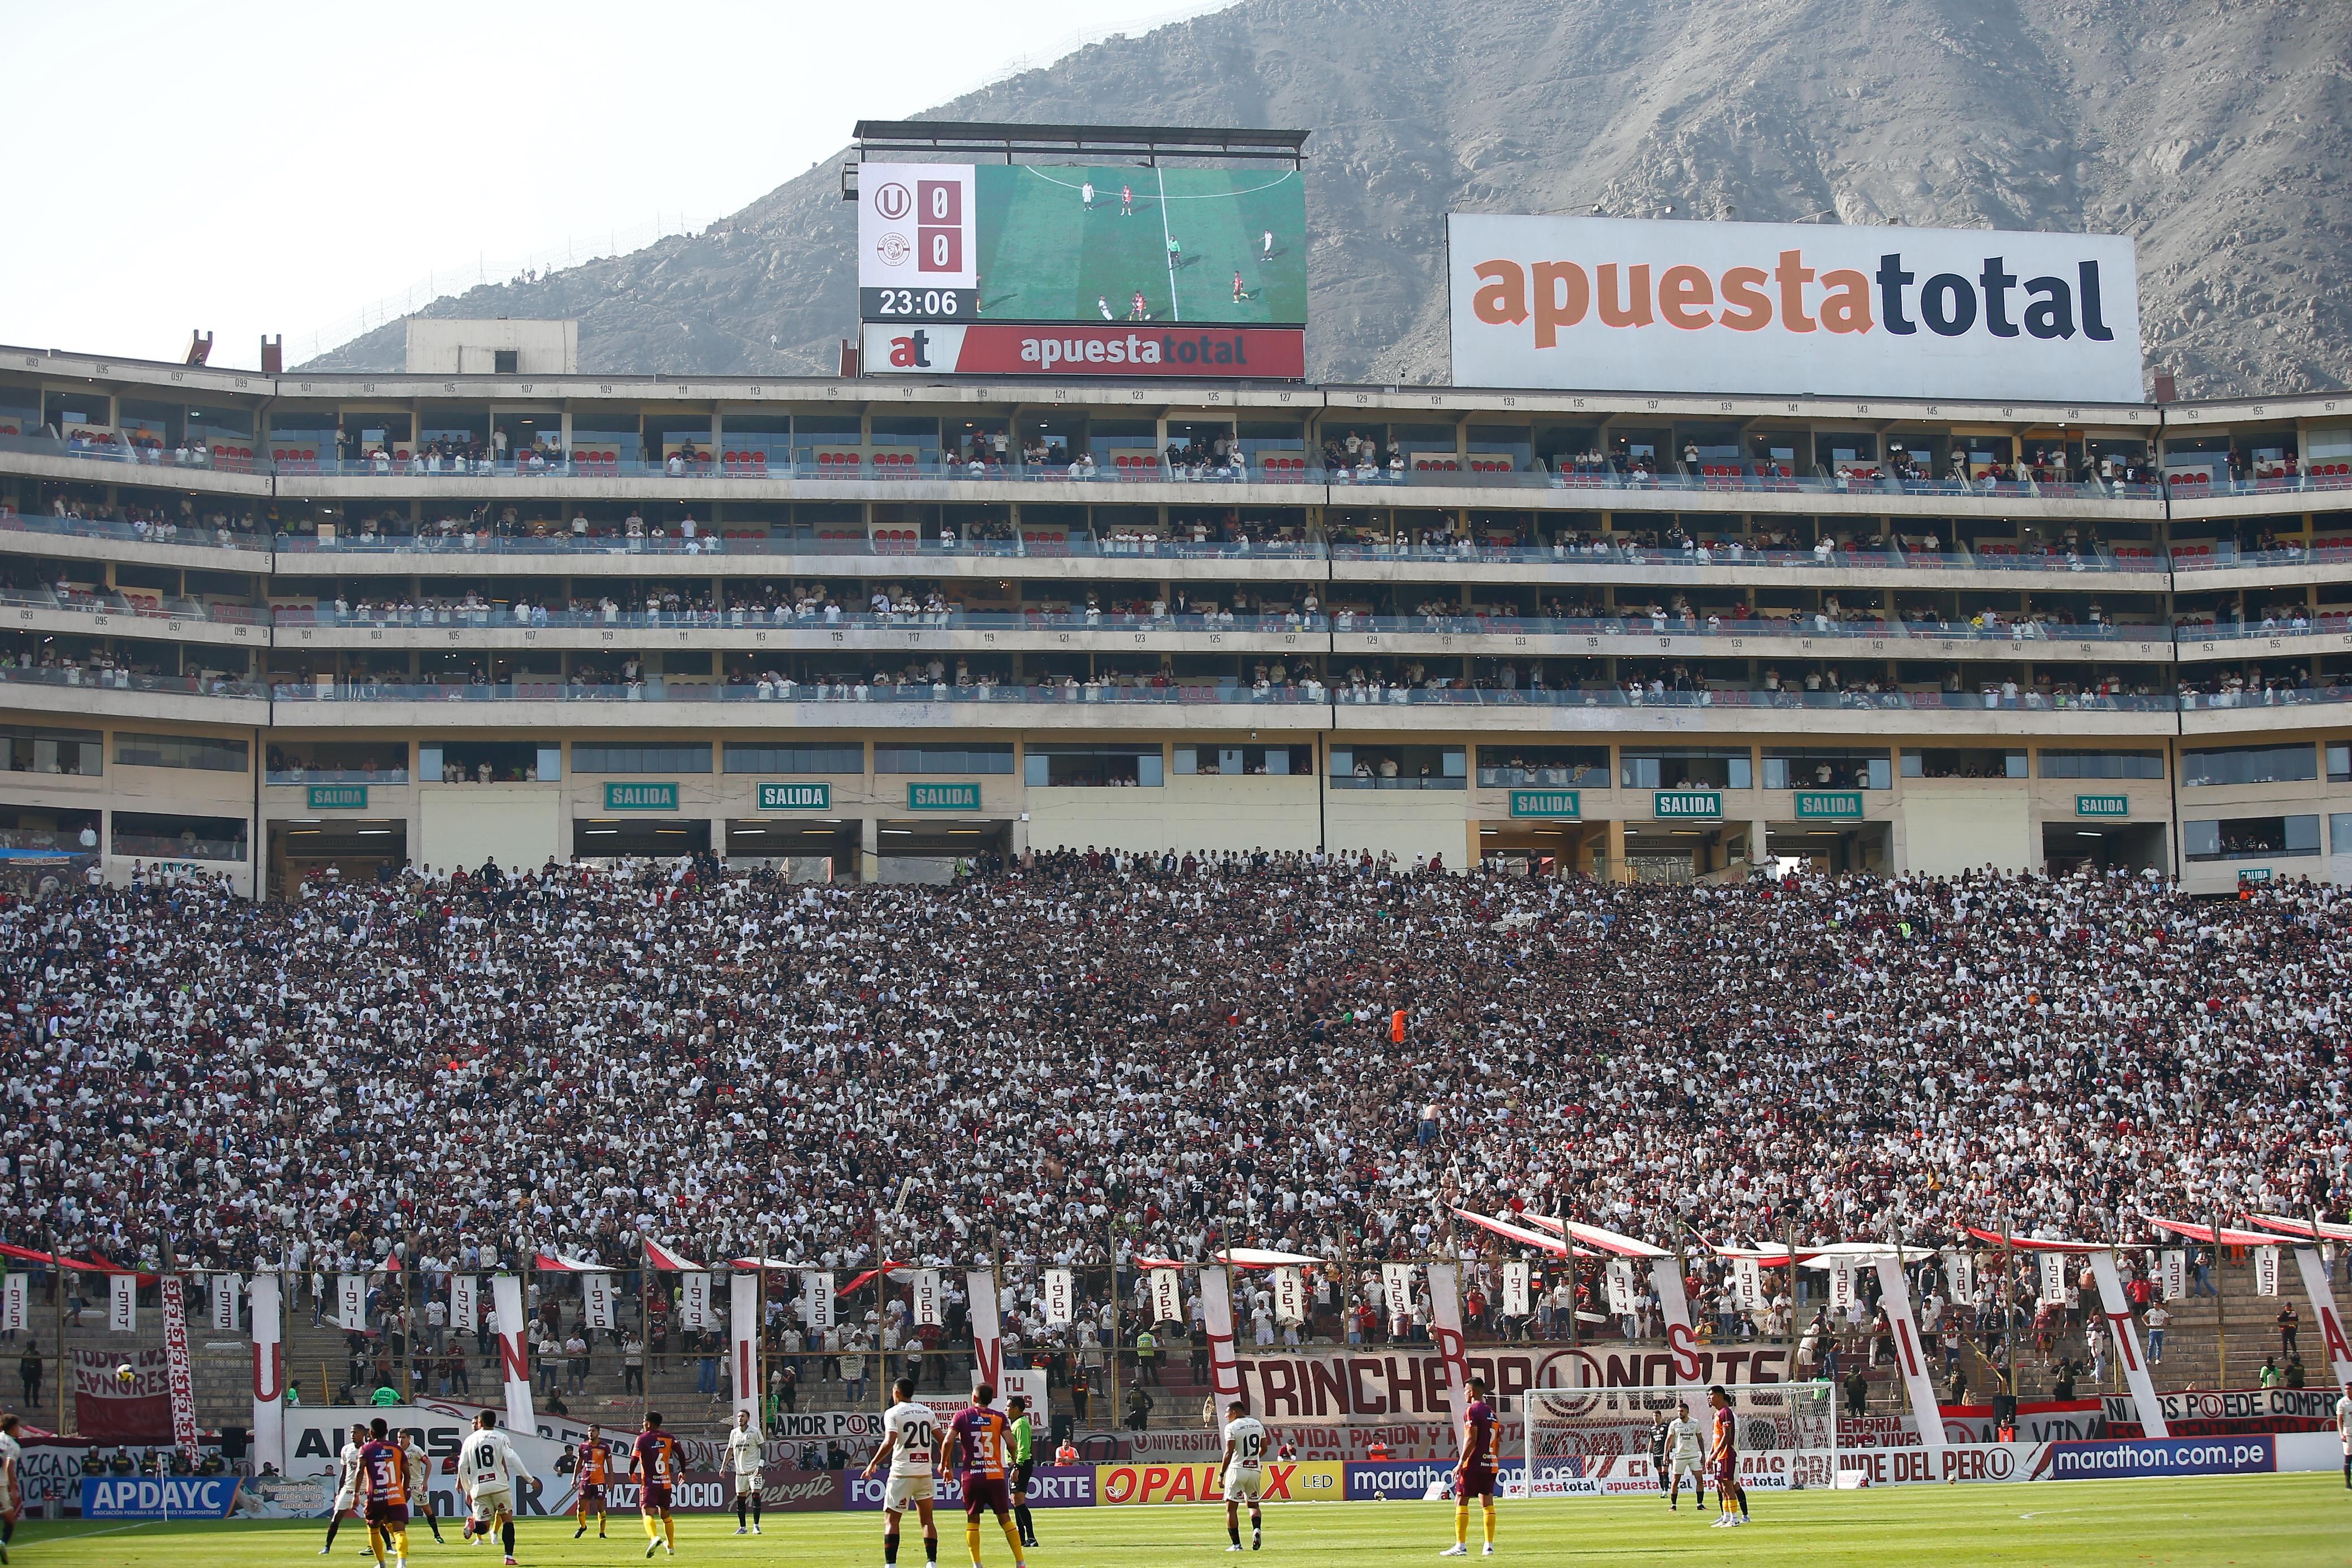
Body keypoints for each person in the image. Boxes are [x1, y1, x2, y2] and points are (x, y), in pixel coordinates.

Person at [939, 1383, 1026, 1568]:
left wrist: (945, 1464)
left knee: (973, 1520)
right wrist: (1015, 1462)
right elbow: (1011, 1443)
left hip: (973, 1476)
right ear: (991, 1400)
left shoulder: (962, 1416)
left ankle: (977, 1564)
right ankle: (1020, 1561)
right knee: (1005, 1519)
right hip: (994, 1476)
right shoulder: (999, 1417)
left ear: (974, 1398)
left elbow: (947, 1442)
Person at [866, 1376, 941, 1568]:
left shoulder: (893, 1413)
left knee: (892, 1519)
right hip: (925, 1473)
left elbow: (890, 1441)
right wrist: (946, 1463)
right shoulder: (927, 1412)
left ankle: (891, 1564)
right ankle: (931, 1563)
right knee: (927, 1520)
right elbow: (943, 1439)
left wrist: (873, 1462)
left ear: (896, 1392)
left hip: (902, 1473)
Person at [457, 1410, 531, 1568]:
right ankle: (509, 1557)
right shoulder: (501, 1437)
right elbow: (512, 1457)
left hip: (480, 1488)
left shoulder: (469, 1440)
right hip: (499, 1486)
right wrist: (528, 1478)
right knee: (507, 1521)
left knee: (483, 1529)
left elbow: (462, 1466)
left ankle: (472, 1525)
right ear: (494, 1422)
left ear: (480, 1423)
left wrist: (467, 1490)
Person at [1438, 1375, 1497, 1557]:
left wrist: (1461, 1461)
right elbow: (1497, 1441)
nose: (1464, 1393)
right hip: (1490, 1462)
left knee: (1461, 1500)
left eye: (1465, 1390)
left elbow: (1471, 1438)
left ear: (1471, 1392)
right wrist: (1495, 1460)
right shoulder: (1492, 1412)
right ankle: (1488, 1546)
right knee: (1487, 1502)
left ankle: (1460, 1546)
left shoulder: (1471, 1410)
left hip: (1474, 1463)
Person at [355, 1417, 412, 1568]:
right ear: (387, 1432)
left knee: (373, 1528)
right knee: (400, 1530)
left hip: (376, 1497)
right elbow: (407, 1474)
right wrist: (404, 1491)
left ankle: (381, 1564)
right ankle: (402, 1562)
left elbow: (360, 1471)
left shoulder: (366, 1449)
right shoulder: (397, 1449)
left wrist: (355, 1494)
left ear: (371, 1433)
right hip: (396, 1496)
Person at [632, 1412, 682, 1559]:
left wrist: (630, 1471)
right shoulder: (669, 1437)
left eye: (644, 1421)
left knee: (647, 1513)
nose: (643, 1424)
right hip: (666, 1484)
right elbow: (681, 1454)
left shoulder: (642, 1438)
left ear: (648, 1424)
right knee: (666, 1515)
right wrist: (683, 1472)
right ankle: (671, 1546)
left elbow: (635, 1457)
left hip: (650, 1484)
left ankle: (654, 1538)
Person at [1219, 1398, 1265, 1553]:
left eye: (1227, 1413)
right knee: (1253, 1505)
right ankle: (1256, 1529)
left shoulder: (1231, 1427)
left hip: (1237, 1469)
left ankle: (1237, 1545)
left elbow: (1229, 1452)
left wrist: (1221, 1474)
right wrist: (1254, 1459)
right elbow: (1264, 1448)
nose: (1226, 1416)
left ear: (1234, 1413)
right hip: (1254, 1470)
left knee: (1231, 1509)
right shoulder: (1258, 1424)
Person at [320, 1422, 367, 1556]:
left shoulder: (368, 1449)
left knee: (375, 1519)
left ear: (363, 1434)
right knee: (336, 1517)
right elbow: (344, 1471)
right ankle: (327, 1547)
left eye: (356, 1432)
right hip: (348, 1488)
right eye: (352, 1432)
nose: (353, 1435)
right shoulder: (346, 1449)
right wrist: (340, 1490)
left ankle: (388, 1546)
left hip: (365, 1489)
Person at [1706, 1384, 1749, 1528]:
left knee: (1729, 1486)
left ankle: (1735, 1519)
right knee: (1721, 1487)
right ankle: (1725, 1517)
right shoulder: (1717, 1414)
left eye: (1711, 1395)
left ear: (1719, 1395)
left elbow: (1727, 1436)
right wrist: (1711, 1455)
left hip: (1726, 1455)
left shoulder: (1726, 1413)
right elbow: (1716, 1437)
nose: (1709, 1398)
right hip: (1720, 1456)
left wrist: (1715, 1453)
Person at [397, 1431, 444, 1545]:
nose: (401, 1440)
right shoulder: (396, 1450)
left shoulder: (416, 1450)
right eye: (399, 1437)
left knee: (427, 1510)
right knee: (396, 1510)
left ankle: (437, 1535)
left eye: (403, 1437)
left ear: (409, 1438)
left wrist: (425, 1481)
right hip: (401, 1485)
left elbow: (429, 1464)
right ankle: (396, 1536)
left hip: (416, 1484)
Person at [1005, 1395, 1037, 1549]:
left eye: (1009, 1407)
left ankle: (1031, 1537)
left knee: (1018, 1500)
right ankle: (1022, 1539)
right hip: (1016, 1464)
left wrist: (1017, 1467)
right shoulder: (1017, 1423)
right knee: (1015, 1501)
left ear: (1016, 1408)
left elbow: (1023, 1447)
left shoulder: (1021, 1424)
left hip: (1021, 1465)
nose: (1006, 1409)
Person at [727, 1409, 765, 1535]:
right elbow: (730, 1450)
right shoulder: (734, 1433)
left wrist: (761, 1465)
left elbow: (763, 1449)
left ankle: (756, 1526)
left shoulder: (755, 1432)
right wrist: (723, 1467)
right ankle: (743, 1527)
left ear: (748, 1418)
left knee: (756, 1495)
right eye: (738, 1416)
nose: (740, 1418)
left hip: (754, 1471)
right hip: (740, 1473)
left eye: (742, 1416)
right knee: (740, 1499)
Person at [1664, 1401, 1707, 1513]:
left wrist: (1703, 1454)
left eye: (1682, 1411)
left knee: (1700, 1479)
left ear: (1688, 1412)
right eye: (1678, 1411)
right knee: (1675, 1481)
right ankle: (1673, 1505)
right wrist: (1666, 1455)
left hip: (1693, 1455)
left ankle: (1700, 1504)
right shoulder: (1674, 1424)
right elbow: (1668, 1440)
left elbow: (1700, 1439)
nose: (1680, 1413)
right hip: (1679, 1456)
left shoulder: (1695, 1423)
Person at [573, 1423, 610, 1540]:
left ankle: (602, 1533)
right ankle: (583, 1526)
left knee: (600, 1507)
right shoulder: (583, 1446)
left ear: (598, 1433)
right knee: (581, 1507)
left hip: (599, 1481)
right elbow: (579, 1463)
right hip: (585, 1481)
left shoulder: (604, 1447)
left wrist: (611, 1480)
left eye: (593, 1431)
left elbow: (610, 1465)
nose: (591, 1433)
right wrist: (574, 1478)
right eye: (589, 1431)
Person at [0, 1412, 23, 1566]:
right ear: (13, 1427)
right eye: (18, 1426)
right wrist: (13, 1489)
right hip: (0, 1485)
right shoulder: (13, 1445)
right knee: (10, 1522)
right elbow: (9, 1465)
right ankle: (2, 1543)